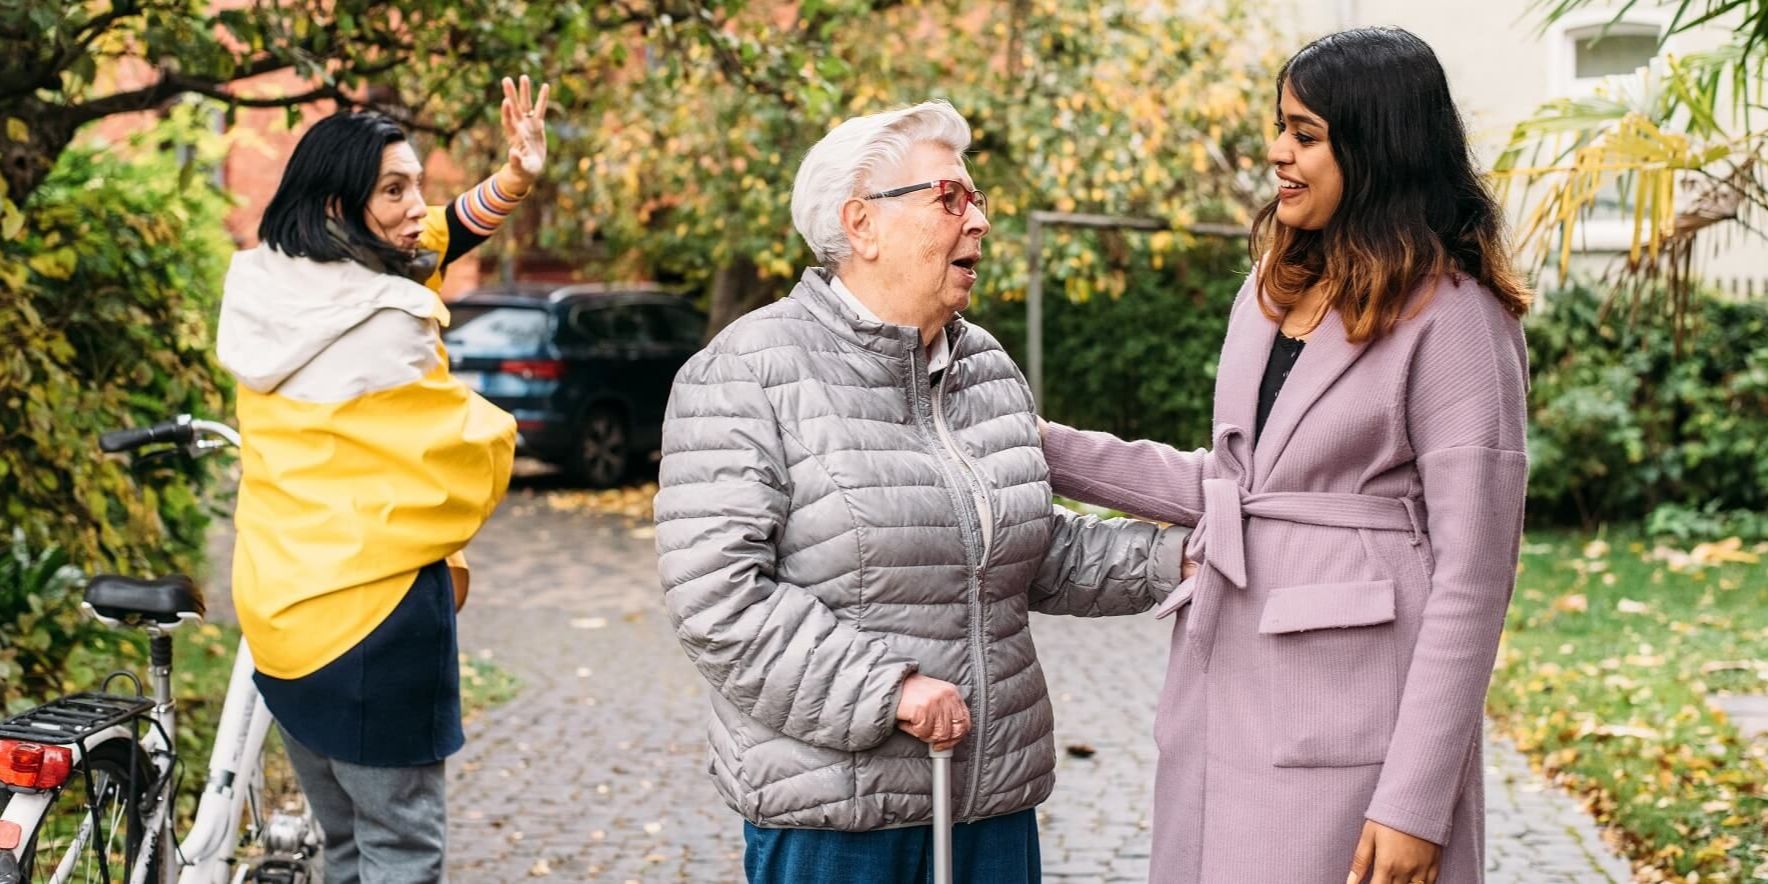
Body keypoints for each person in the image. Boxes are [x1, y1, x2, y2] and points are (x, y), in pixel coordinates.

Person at [1039, 28, 1533, 883]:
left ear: (1377, 146)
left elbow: (1475, 579)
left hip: (1353, 725)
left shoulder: (1458, 319)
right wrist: (1040, 446)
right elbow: (1237, 487)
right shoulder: (1273, 289)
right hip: (1222, 693)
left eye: (1305, 134)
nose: (1277, 153)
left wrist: (1414, 801)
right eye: (1280, 128)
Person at [653, 100, 1188, 884]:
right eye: (950, 198)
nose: (979, 221)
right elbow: (716, 599)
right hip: (838, 821)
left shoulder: (986, 369)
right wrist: (889, 691)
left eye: (976, 198)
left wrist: (1178, 559)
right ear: (861, 225)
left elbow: (1026, 546)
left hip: (988, 803)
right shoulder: (745, 372)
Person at [215, 76, 549, 883]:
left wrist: (512, 181)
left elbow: (424, 240)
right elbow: (460, 455)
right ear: (338, 207)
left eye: (418, 187)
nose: (414, 207)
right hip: (376, 620)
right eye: (393, 189)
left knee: (345, 848)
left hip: (282, 613)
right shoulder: (390, 322)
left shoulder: (265, 284)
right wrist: (501, 432)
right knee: (401, 849)